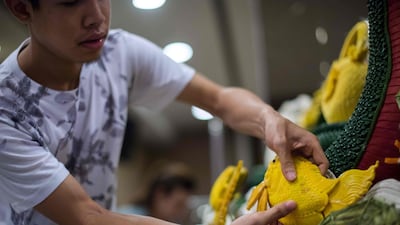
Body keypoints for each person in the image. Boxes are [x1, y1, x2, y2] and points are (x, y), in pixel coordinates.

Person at [0, 0, 328, 224]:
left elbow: (219, 99)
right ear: (20, 7)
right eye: (71, 1)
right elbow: (87, 216)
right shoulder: (6, 108)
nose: (97, 17)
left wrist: (270, 120)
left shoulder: (117, 52)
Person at [116, 160, 196, 224]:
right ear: (160, 194)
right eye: (178, 205)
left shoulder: (170, 221)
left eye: (184, 206)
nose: (182, 212)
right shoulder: (125, 217)